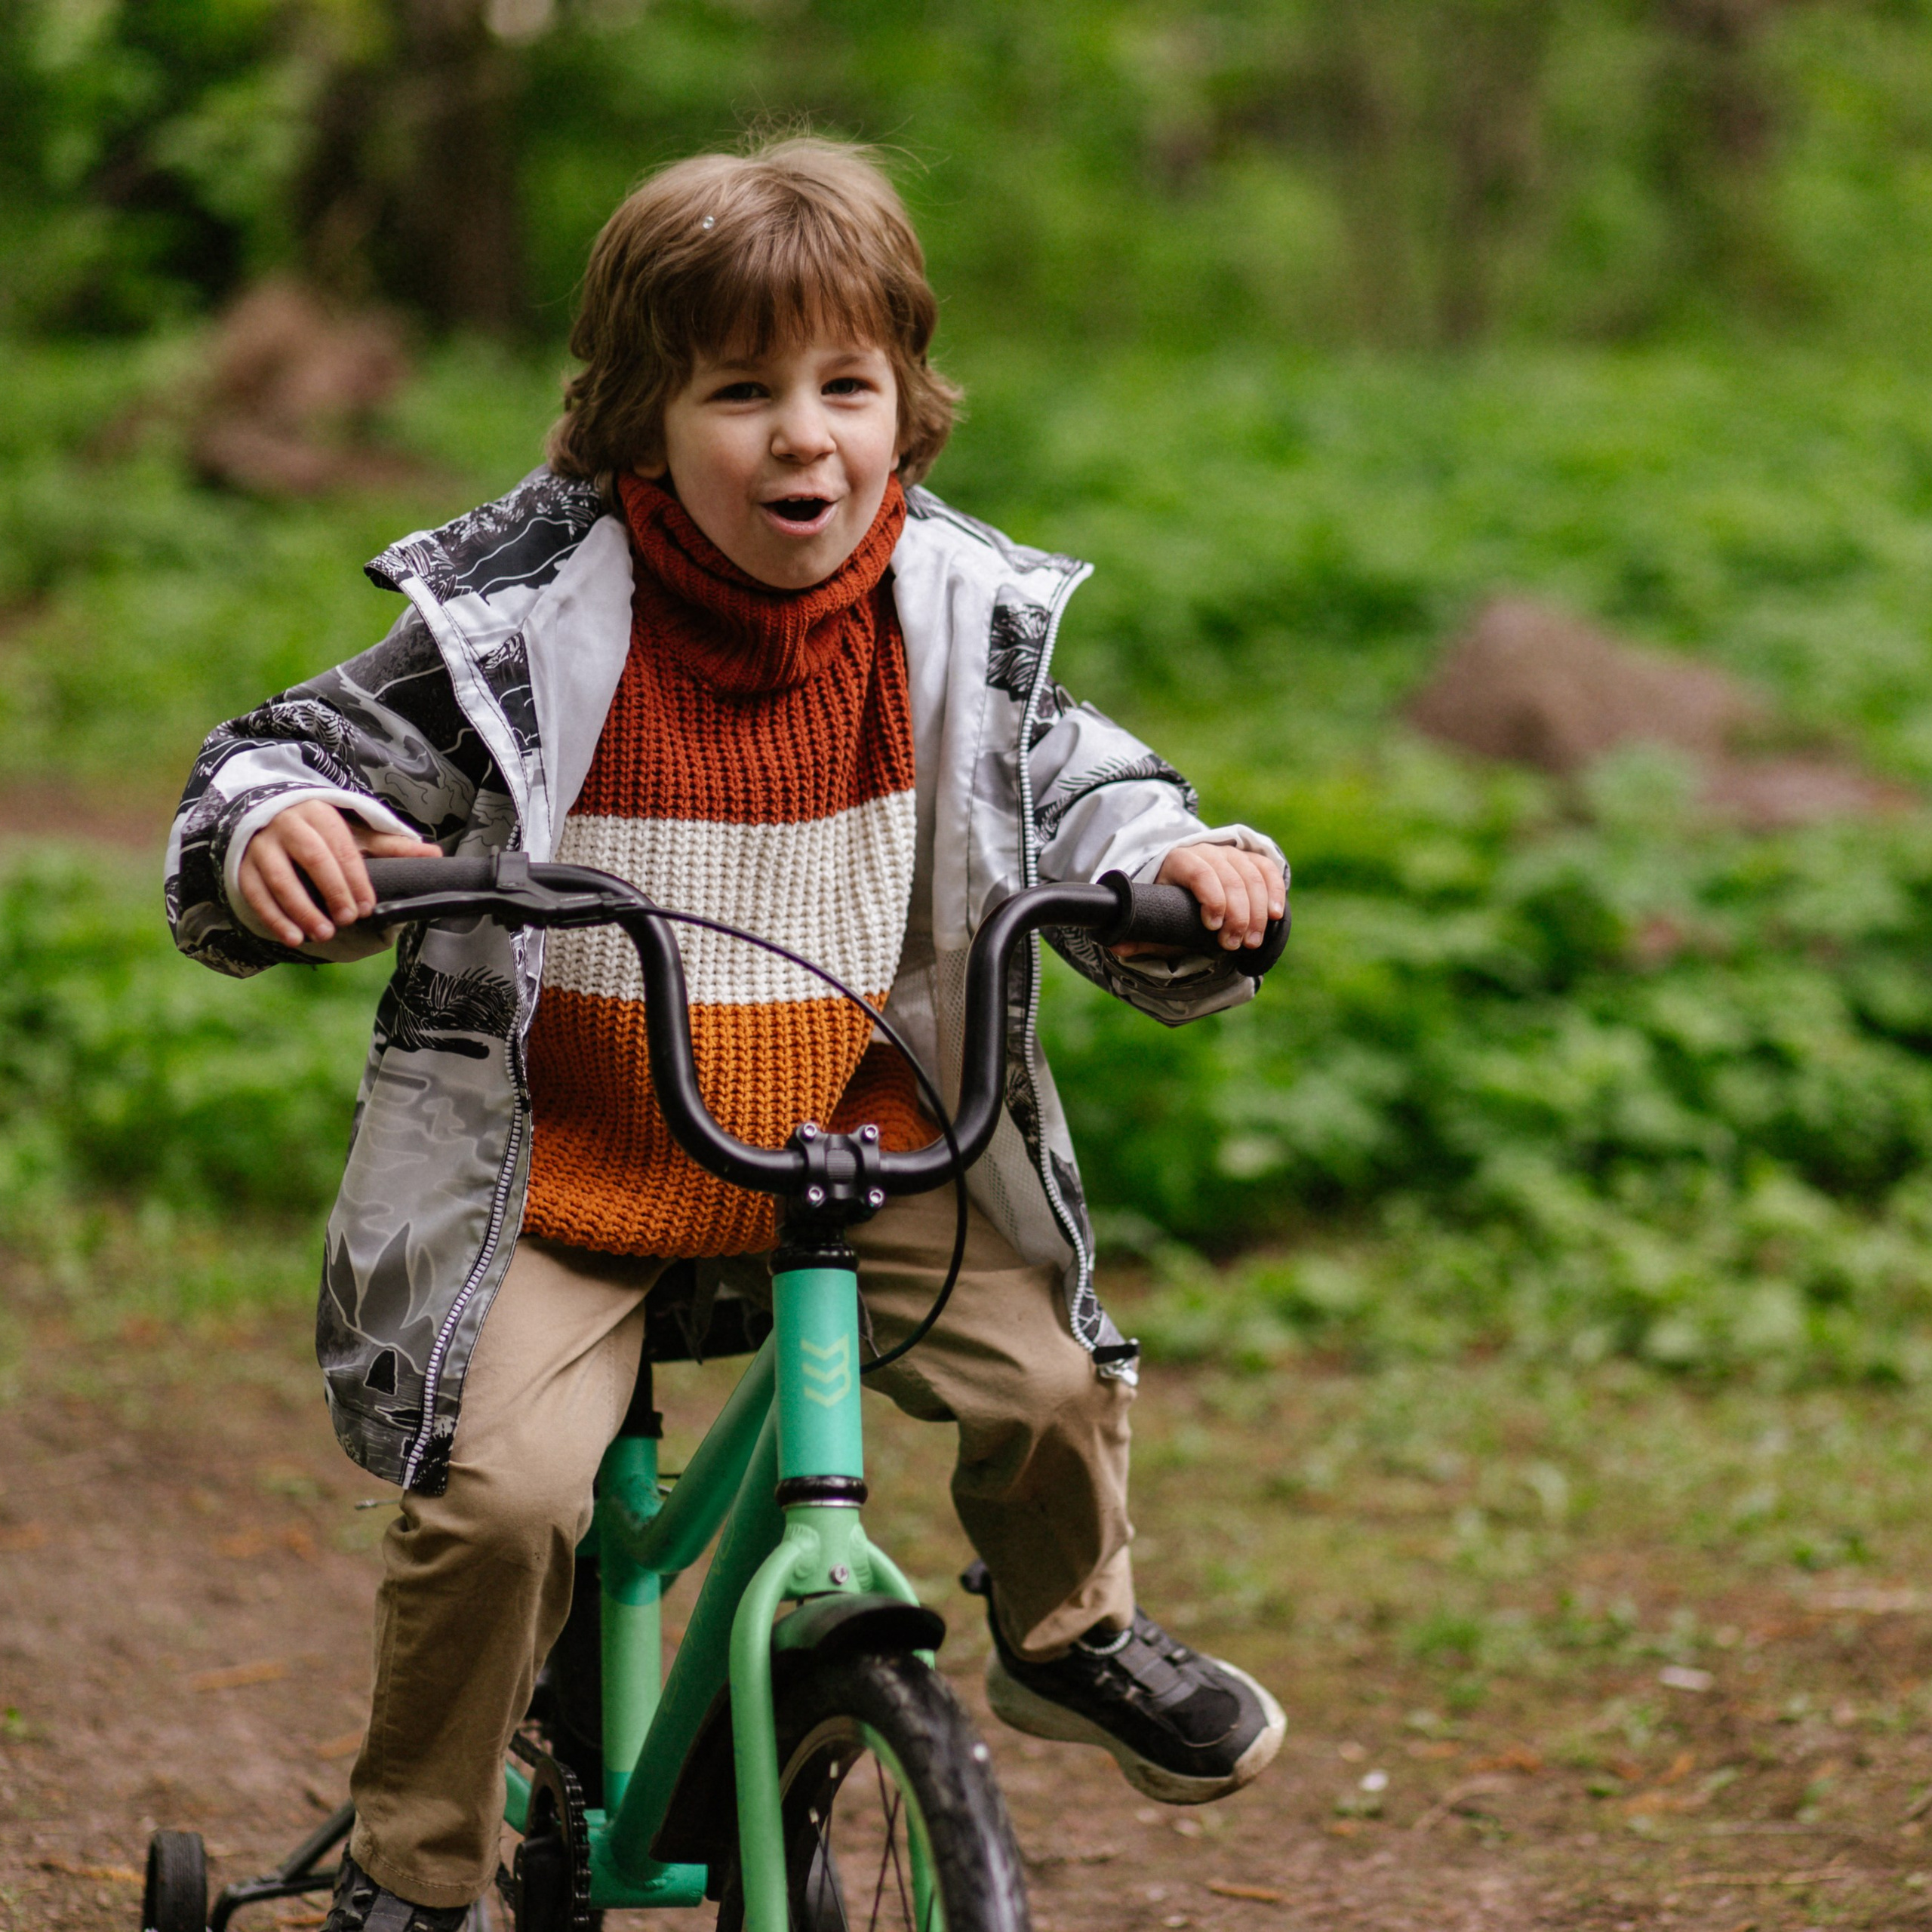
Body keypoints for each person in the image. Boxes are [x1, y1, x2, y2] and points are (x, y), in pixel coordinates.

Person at [165, 136, 1290, 1932]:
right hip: (570, 1158)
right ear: (635, 420)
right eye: (738, 389)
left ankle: (1069, 1633)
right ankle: (417, 1868)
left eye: (845, 385)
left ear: (905, 412)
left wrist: (1177, 858)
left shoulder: (954, 614)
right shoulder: (519, 617)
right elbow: (276, 754)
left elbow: (1079, 781)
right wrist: (270, 824)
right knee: (506, 1504)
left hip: (859, 1129)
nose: (802, 435)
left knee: (1054, 1373)